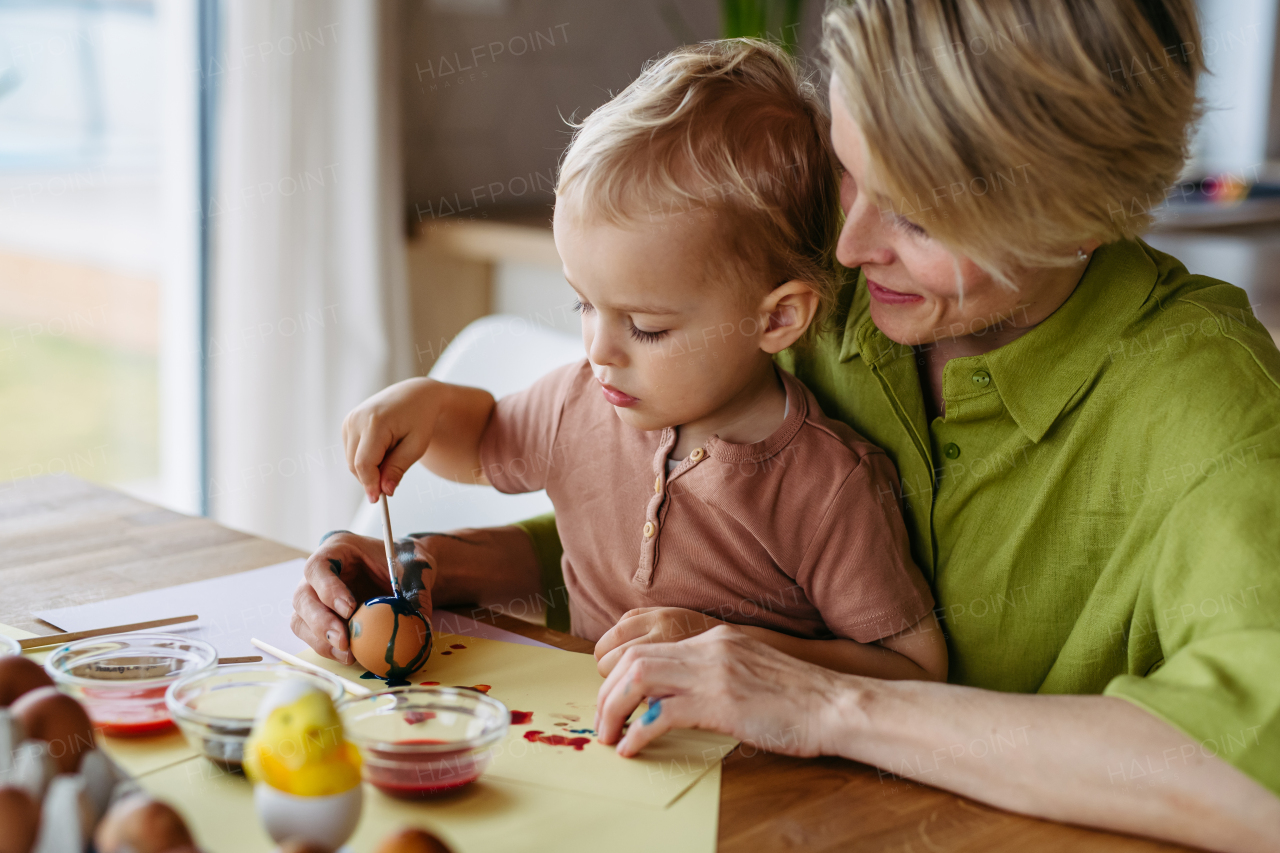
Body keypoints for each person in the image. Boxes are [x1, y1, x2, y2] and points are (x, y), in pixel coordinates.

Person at [293, 1, 1280, 848]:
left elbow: (1253, 784)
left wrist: (824, 699)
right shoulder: (811, 286)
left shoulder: (1205, 403)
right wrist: (442, 568)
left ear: (1077, 216)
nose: (847, 245)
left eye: (917, 219)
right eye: (850, 172)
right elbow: (705, 537)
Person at [325, 40, 947, 682]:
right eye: (583, 307)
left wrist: (731, 647)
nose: (598, 350)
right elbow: (481, 444)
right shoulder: (580, 403)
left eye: (646, 328)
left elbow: (913, 668)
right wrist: (424, 407)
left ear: (777, 318)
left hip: (752, 774)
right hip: (592, 745)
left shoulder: (826, 486)